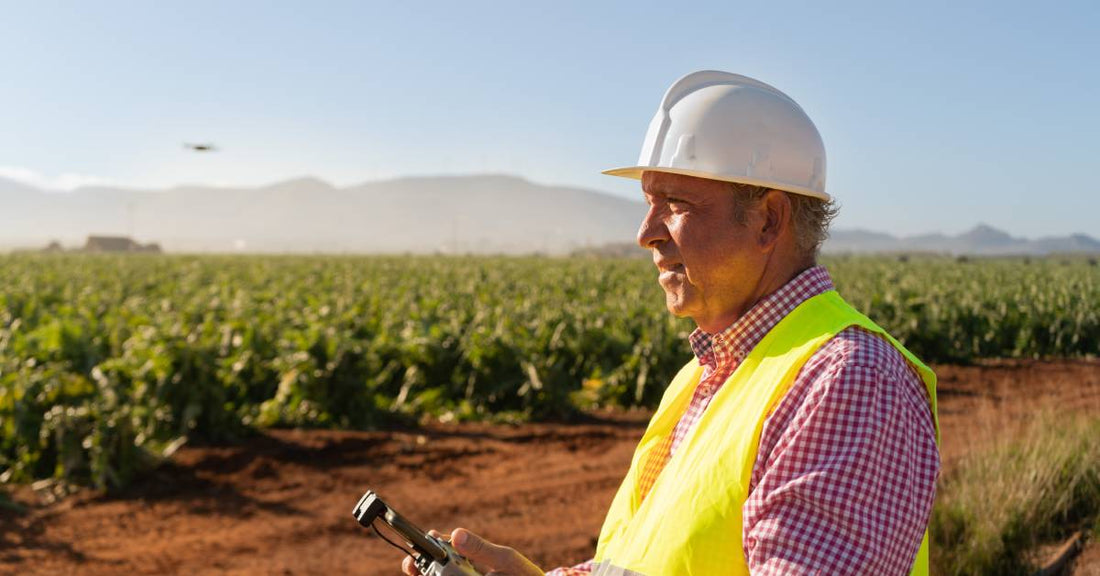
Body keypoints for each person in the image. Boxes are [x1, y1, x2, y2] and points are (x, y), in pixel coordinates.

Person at [401, 70, 939, 576]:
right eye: (647, 202)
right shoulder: (705, 374)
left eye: (676, 203)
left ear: (769, 219)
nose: (646, 232)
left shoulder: (852, 382)